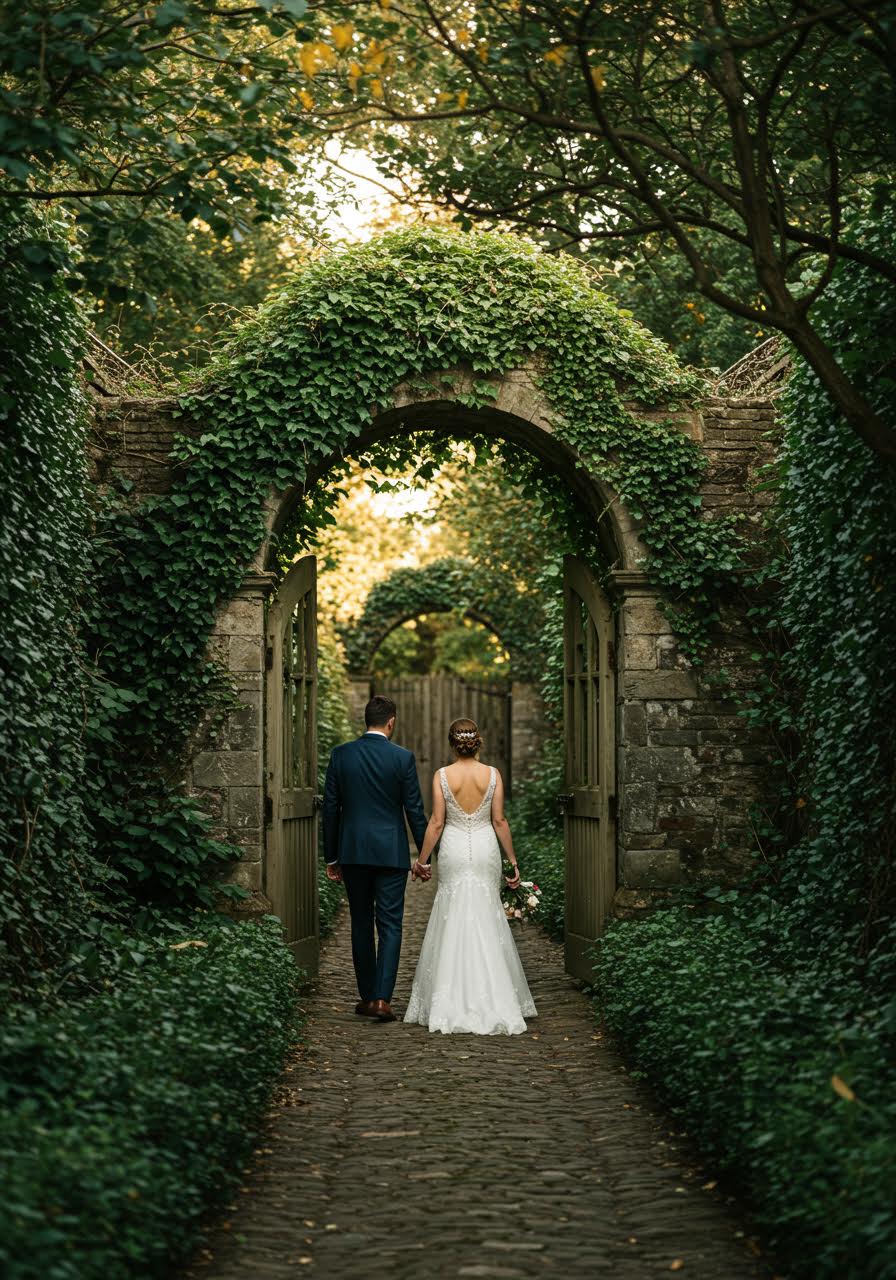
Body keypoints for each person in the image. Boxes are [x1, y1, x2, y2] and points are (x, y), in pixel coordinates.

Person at [404, 718, 537, 1035]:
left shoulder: (442, 776)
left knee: (453, 912)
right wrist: (512, 861)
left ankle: (449, 997)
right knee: (485, 911)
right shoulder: (493, 775)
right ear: (478, 742)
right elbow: (500, 821)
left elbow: (436, 822)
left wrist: (422, 860)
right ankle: (496, 995)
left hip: (452, 847)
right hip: (484, 847)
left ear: (453, 743)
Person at [322, 694, 429, 1023]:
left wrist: (331, 856)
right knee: (391, 924)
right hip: (391, 853)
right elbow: (414, 809)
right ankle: (383, 999)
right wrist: (425, 856)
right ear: (391, 722)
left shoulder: (341, 755)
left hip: (353, 851)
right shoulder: (402, 758)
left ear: (364, 720)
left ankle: (367, 997)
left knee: (360, 923)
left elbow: (330, 808)